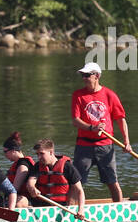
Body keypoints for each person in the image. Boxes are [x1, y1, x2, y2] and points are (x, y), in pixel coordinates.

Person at [72, 61, 131, 202]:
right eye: (82, 75)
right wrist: (92, 128)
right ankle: (71, 211)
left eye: (87, 75)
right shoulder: (78, 95)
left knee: (112, 181)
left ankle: (119, 209)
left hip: (105, 145)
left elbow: (121, 119)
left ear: (96, 76)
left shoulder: (109, 95)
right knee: (75, 183)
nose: (84, 78)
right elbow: (75, 120)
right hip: (83, 146)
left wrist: (126, 141)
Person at [24, 138, 87, 210]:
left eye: (41, 154)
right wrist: (32, 188)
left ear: (51, 152)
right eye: (37, 154)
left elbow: (80, 191)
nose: (39, 157)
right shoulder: (38, 166)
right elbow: (30, 182)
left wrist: (81, 210)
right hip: (40, 206)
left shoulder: (67, 167)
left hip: (61, 207)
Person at [0, 132, 35, 209]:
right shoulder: (17, 164)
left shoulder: (23, 166)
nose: (5, 155)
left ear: (13, 150)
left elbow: (15, 189)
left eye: (5, 152)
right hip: (15, 196)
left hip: (25, 199)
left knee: (16, 202)